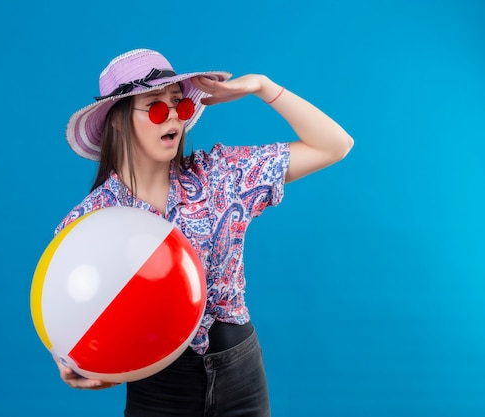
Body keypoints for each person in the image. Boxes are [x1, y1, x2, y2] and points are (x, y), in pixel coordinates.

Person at [52, 48, 354, 416]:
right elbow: (67, 304)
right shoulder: (90, 221)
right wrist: (70, 357)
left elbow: (334, 144)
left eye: (179, 105)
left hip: (241, 375)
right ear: (117, 120)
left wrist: (262, 85)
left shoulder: (221, 176)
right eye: (157, 108)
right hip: (158, 389)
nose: (174, 119)